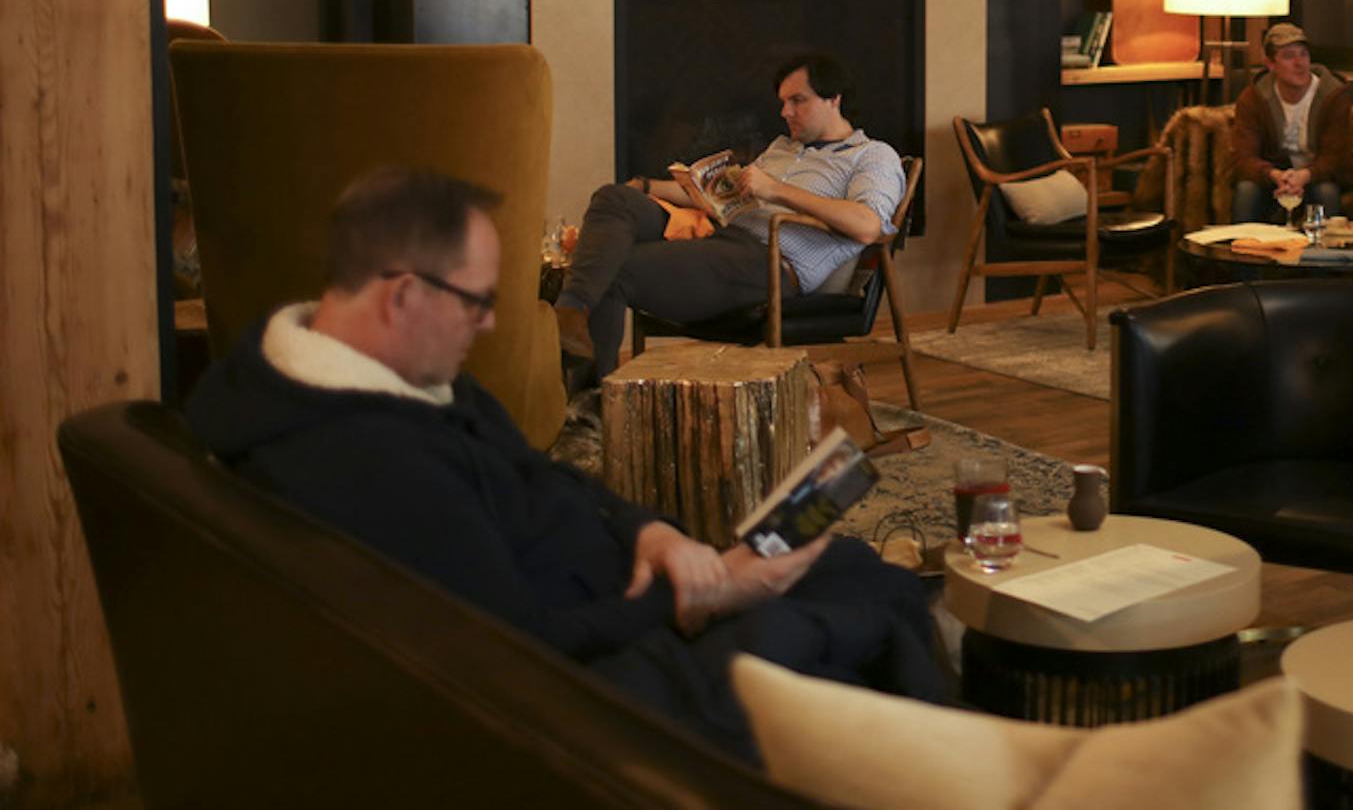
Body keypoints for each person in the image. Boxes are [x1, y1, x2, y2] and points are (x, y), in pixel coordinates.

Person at [185, 166, 944, 766]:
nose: (487, 323)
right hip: (596, 693)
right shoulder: (369, 462)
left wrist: (650, 533)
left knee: (846, 563)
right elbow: (517, 651)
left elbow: (541, 474)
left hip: (628, 582)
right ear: (405, 295)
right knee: (871, 607)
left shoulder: (367, 368)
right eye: (477, 301)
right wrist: (702, 600)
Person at [556, 51, 905, 380]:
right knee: (614, 197)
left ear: (834, 99)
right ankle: (569, 312)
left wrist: (776, 190)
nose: (785, 112)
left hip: (769, 265)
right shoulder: (782, 148)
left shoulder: (872, 156)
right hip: (723, 239)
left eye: (797, 100)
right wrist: (647, 186)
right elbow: (720, 196)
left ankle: (591, 403)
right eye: (783, 102)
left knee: (614, 269)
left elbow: (867, 226)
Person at [1229, 21, 1353, 223]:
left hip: (1316, 175)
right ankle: (1242, 249)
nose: (1300, 63)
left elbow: (1335, 156)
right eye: (1288, 56)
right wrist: (1274, 175)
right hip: (1274, 176)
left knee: (1327, 193)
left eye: (1304, 54)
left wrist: (1305, 175)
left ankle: (1324, 253)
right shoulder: (1254, 97)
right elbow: (1243, 156)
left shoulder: (1333, 95)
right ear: (1270, 64)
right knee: (1246, 191)